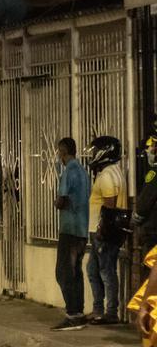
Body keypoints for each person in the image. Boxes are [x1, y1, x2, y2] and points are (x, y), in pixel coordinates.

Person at [86, 135, 128, 325]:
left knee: (106, 271)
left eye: (96, 151)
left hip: (103, 231)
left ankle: (110, 312)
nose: (93, 154)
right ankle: (98, 309)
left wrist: (102, 228)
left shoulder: (107, 175)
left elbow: (109, 204)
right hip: (104, 230)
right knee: (94, 270)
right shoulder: (115, 171)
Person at [51, 137, 91, 331]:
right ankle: (79, 311)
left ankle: (73, 313)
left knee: (63, 272)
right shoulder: (84, 172)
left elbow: (62, 200)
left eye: (59, 152)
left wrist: (56, 202)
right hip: (82, 228)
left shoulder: (68, 172)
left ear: (64, 151)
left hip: (70, 228)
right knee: (76, 272)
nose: (58, 155)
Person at [134, 135, 157, 255]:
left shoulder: (154, 173)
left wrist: (136, 217)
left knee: (151, 267)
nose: (149, 150)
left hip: (153, 229)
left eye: (152, 146)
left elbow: (145, 202)